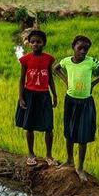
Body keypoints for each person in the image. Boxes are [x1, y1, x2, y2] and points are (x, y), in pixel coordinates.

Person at [53, 35, 99, 182]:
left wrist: (93, 83)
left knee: (83, 135)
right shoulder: (67, 61)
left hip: (85, 102)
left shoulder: (90, 62)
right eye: (80, 48)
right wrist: (66, 80)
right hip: (70, 101)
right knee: (69, 130)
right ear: (73, 47)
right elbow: (56, 68)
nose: (83, 51)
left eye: (86, 49)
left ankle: (80, 167)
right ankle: (69, 160)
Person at [15, 29, 58, 166]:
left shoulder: (48, 59)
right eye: (32, 42)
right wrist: (21, 97)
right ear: (29, 43)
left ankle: (49, 155)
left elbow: (50, 78)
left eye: (38, 42)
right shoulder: (25, 59)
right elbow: (22, 79)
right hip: (29, 95)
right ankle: (31, 154)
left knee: (49, 126)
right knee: (29, 126)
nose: (35, 44)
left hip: (44, 95)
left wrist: (55, 95)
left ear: (44, 43)